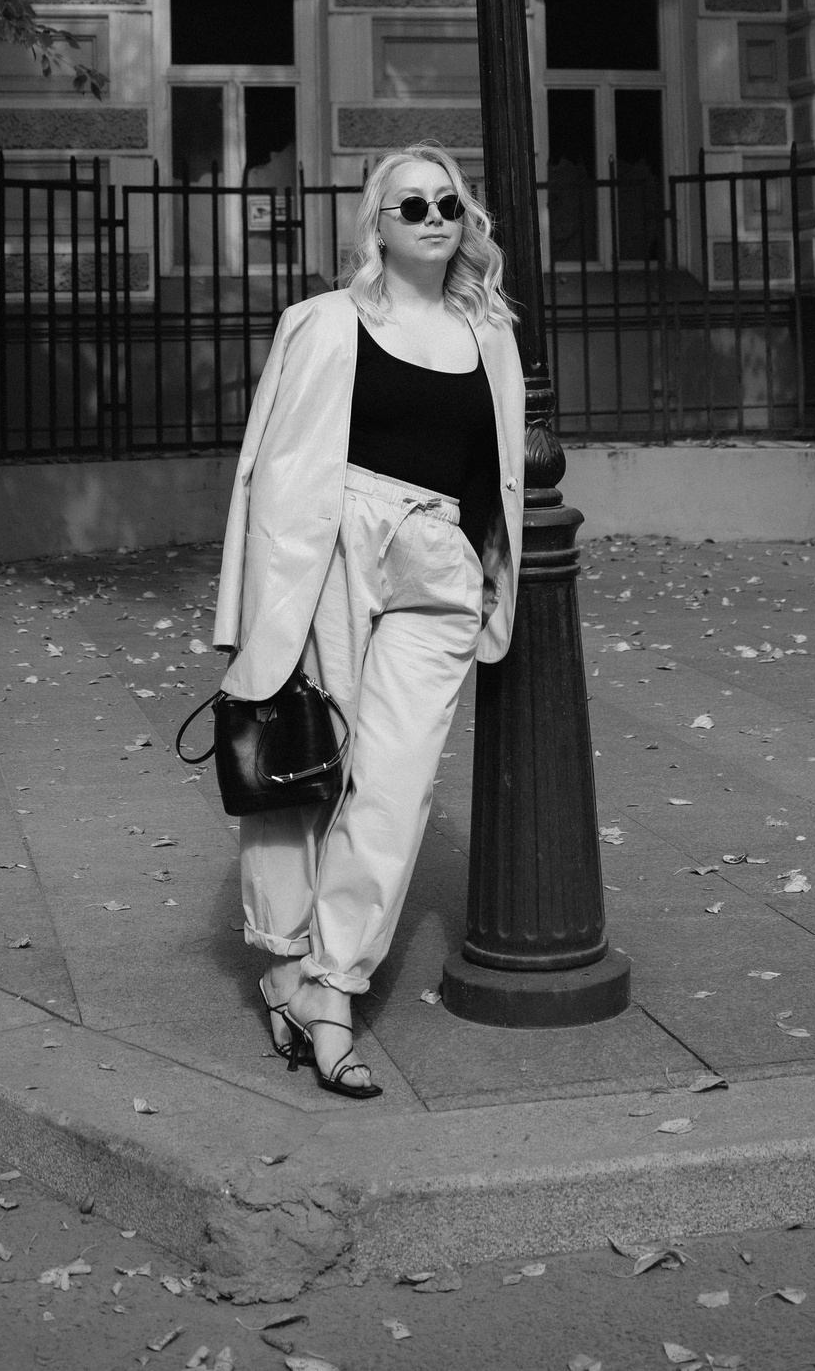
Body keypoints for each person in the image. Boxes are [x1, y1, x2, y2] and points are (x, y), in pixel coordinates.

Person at [210, 145, 526, 1098]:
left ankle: (334, 984)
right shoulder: (323, 322)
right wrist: (254, 604)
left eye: (449, 204)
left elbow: (499, 470)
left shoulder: (491, 334)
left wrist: (488, 573)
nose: (435, 218)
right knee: (302, 760)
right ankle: (285, 966)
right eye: (412, 205)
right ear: (377, 227)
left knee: (394, 784)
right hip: (336, 545)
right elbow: (265, 469)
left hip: (440, 563)